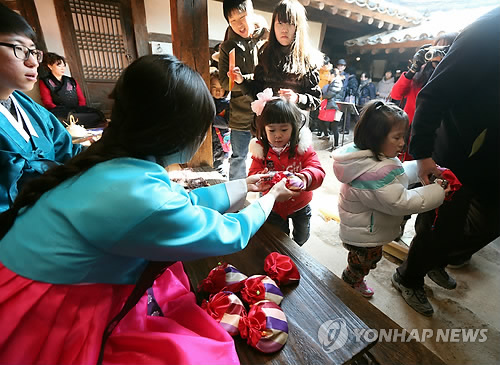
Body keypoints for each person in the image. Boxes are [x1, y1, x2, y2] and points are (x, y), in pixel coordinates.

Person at [0, 54, 297, 364]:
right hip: (49, 308)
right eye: (202, 129)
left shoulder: (114, 163)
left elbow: (180, 205)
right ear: (175, 133)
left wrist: (242, 186)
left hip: (37, 280)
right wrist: (272, 197)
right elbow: (228, 234)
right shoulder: (139, 194)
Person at [393, 7, 500, 316]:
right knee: (442, 223)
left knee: (487, 222)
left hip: (493, 155)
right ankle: (409, 276)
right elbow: (432, 95)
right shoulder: (486, 31)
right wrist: (424, 155)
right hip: (457, 151)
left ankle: (435, 259)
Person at [332, 100, 449, 298]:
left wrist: (421, 169)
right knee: (363, 263)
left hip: (365, 227)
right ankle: (350, 285)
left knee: (366, 259)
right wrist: (437, 192)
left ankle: (354, 277)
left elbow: (397, 173)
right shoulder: (373, 175)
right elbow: (400, 201)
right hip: (364, 235)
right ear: (376, 138)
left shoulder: (372, 157)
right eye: (397, 137)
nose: (402, 143)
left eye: (403, 136)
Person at [0, 4, 81, 213]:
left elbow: (69, 152)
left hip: (57, 210)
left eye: (34, 52)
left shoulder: (29, 107)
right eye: (19, 49)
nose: (33, 62)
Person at [248, 93, 325, 245]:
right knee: (279, 240)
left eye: (283, 130)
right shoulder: (261, 151)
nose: (277, 136)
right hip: (274, 206)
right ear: (263, 129)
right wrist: (261, 177)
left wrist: (304, 177)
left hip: (300, 204)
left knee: (302, 237)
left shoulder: (302, 148)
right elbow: (252, 174)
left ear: (294, 127)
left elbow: (317, 170)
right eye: (272, 130)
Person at [233, 0, 322, 116]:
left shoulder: (308, 59)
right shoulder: (265, 53)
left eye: (290, 23)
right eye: (279, 23)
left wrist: (297, 98)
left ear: (298, 27)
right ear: (273, 26)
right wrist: (241, 81)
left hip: (294, 126)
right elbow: (257, 93)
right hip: (268, 125)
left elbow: (315, 100)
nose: (284, 29)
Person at [218, 0, 269, 180]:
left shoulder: (267, 38)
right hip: (240, 113)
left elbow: (271, 76)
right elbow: (224, 83)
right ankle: (235, 196)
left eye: (242, 17)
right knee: (239, 157)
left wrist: (243, 78)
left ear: (252, 13)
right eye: (232, 21)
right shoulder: (227, 47)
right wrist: (242, 79)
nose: (239, 24)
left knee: (267, 157)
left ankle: (267, 196)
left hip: (265, 111)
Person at [390, 33, 457, 161]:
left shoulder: (454, 76)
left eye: (444, 48)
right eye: (436, 48)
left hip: (432, 135)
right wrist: (413, 69)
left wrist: (442, 67)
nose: (438, 52)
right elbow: (396, 94)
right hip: (408, 132)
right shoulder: (419, 73)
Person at [39, 52, 106, 128]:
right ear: (50, 66)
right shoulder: (45, 81)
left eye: (64, 66)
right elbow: (48, 102)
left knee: (97, 115)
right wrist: (65, 111)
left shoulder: (71, 81)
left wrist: (80, 109)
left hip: (76, 109)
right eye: (59, 65)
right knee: (60, 119)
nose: (62, 68)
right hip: (60, 112)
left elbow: (81, 99)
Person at [209, 69, 231, 176]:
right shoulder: (206, 101)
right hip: (208, 141)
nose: (218, 91)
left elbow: (227, 122)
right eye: (214, 87)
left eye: (221, 88)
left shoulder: (227, 104)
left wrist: (208, 118)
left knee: (219, 166)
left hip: (220, 142)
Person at [320, 67, 343, 151]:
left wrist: (322, 94)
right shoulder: (334, 81)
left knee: (334, 126)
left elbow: (329, 95)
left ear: (333, 75)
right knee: (324, 122)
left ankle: (336, 145)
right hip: (333, 105)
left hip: (336, 106)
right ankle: (327, 136)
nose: (328, 76)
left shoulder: (337, 82)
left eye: (329, 74)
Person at [335, 58, 358, 135]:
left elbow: (344, 87)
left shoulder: (346, 76)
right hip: (333, 96)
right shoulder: (334, 73)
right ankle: (334, 128)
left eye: (342, 65)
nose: (340, 67)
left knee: (343, 113)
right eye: (339, 65)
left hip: (342, 96)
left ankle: (342, 129)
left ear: (344, 67)